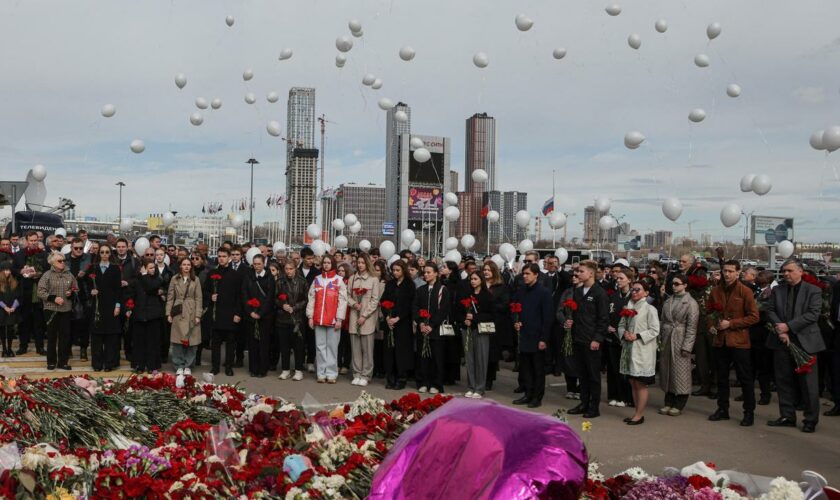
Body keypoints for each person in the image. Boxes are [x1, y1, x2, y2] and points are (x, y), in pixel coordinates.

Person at [766, 259, 826, 433]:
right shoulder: (778, 290)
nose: (785, 274)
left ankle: (810, 419)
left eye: (790, 271)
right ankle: (787, 416)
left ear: (801, 271)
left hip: (806, 343)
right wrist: (781, 330)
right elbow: (770, 310)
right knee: (783, 381)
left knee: (809, 385)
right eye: (784, 271)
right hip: (781, 341)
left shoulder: (813, 290)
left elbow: (813, 314)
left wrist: (789, 326)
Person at [707, 260, 760, 427]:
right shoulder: (715, 291)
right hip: (720, 341)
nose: (727, 274)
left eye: (730, 271)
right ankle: (723, 409)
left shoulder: (745, 291)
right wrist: (712, 325)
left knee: (745, 378)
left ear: (738, 273)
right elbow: (709, 312)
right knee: (721, 377)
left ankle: (749, 412)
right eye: (725, 271)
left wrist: (731, 324)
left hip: (739, 341)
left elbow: (754, 316)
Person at [566, 260, 609, 418]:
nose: (578, 274)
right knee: (582, 374)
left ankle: (594, 406)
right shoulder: (578, 292)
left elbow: (603, 319)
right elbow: (576, 313)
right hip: (579, 338)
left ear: (591, 273)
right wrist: (570, 321)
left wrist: (597, 339)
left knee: (593, 376)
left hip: (592, 340)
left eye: (581, 271)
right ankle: (584, 403)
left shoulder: (599, 293)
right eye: (577, 271)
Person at [617, 280, 660, 425]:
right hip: (629, 349)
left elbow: (655, 329)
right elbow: (621, 324)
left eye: (638, 289)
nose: (634, 292)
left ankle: (639, 414)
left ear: (646, 293)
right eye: (633, 289)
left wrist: (637, 336)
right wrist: (624, 334)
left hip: (642, 351)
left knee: (640, 383)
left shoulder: (649, 309)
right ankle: (636, 411)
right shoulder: (628, 307)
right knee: (632, 381)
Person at [511, 263, 553, 408]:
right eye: (523, 274)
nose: (525, 276)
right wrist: (516, 321)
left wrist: (543, 338)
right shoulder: (521, 290)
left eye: (528, 273)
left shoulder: (544, 292)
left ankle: (537, 397)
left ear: (536, 274)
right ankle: (528, 394)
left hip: (537, 336)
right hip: (524, 334)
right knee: (526, 368)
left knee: (538, 369)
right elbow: (515, 308)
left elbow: (548, 317)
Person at [658, 274, 699, 416]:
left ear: (685, 285)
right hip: (667, 337)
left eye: (677, 284)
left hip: (680, 338)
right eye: (673, 284)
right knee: (667, 369)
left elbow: (692, 327)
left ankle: (679, 402)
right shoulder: (668, 301)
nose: (674, 286)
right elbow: (662, 320)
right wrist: (660, 338)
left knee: (681, 371)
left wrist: (687, 346)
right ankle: (668, 401)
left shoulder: (691, 303)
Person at [306, 254, 347, 384]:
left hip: (333, 320)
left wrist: (339, 319)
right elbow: (311, 298)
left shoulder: (338, 280)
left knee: (332, 347)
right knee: (320, 347)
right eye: (324, 263)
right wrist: (310, 316)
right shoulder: (317, 279)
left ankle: (331, 373)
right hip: (319, 319)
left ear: (333, 264)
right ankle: (321, 373)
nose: (326, 265)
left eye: (329, 263)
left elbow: (343, 301)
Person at [37, 252, 78, 370]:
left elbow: (76, 288)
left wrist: (71, 293)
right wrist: (53, 298)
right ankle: (51, 361)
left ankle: (63, 362)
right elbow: (40, 292)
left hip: (66, 309)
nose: (62, 262)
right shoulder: (47, 275)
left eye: (63, 260)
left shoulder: (69, 274)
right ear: (52, 263)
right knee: (52, 336)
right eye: (59, 261)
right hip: (51, 309)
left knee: (65, 337)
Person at [413, 263, 451, 394]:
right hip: (423, 328)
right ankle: (423, 381)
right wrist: (421, 323)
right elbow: (416, 307)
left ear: (436, 273)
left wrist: (432, 325)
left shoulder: (442, 289)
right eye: (424, 272)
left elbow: (443, 310)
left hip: (436, 330)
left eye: (429, 272)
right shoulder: (420, 290)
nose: (426, 275)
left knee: (436, 357)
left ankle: (436, 383)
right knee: (422, 356)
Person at [206, 247, 242, 376]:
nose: (221, 258)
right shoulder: (212, 273)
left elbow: (240, 296)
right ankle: (215, 367)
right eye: (219, 256)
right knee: (215, 342)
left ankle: (228, 366)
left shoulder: (236, 275)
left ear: (229, 258)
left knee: (231, 342)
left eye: (224, 256)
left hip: (231, 313)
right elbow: (205, 291)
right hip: (217, 313)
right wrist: (211, 296)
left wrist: (238, 313)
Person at [380, 259, 416, 390]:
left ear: (403, 270)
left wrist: (398, 318)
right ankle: (390, 377)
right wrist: (388, 317)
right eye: (393, 270)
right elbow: (383, 301)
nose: (395, 273)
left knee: (401, 351)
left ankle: (401, 378)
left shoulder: (409, 285)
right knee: (389, 349)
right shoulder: (390, 284)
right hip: (390, 322)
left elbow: (410, 305)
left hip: (403, 323)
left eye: (398, 270)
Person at [87, 244, 123, 371]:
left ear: (110, 254)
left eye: (107, 252)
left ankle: (109, 364)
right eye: (102, 252)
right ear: (99, 254)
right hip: (97, 307)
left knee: (110, 337)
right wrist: (91, 292)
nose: (104, 254)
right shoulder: (92, 268)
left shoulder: (115, 269)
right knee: (96, 337)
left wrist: (117, 306)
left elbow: (118, 289)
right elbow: (86, 286)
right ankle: (97, 364)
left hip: (111, 306)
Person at [459, 271, 494, 399]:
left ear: (481, 280)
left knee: (481, 358)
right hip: (467, 329)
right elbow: (458, 310)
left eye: (475, 279)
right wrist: (464, 319)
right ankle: (471, 386)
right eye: (471, 279)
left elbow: (491, 314)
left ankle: (480, 388)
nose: (472, 281)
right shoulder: (466, 294)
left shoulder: (487, 295)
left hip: (481, 329)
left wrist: (474, 317)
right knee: (469, 359)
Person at [347, 253, 381, 386]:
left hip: (367, 318)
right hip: (354, 315)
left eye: (363, 262)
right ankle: (356, 373)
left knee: (367, 349)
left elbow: (375, 300)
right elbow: (347, 295)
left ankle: (366, 374)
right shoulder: (352, 278)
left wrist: (364, 315)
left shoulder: (374, 279)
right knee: (355, 347)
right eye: (358, 262)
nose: (360, 265)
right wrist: (354, 304)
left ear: (367, 263)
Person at [166, 257, 203, 375]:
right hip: (178, 311)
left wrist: (198, 315)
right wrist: (168, 313)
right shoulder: (174, 279)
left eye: (188, 264)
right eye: (184, 264)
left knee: (192, 340)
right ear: (180, 266)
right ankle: (178, 365)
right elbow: (170, 297)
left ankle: (188, 365)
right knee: (177, 341)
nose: (186, 266)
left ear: (191, 267)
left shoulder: (195, 279)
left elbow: (199, 298)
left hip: (191, 312)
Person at [241, 254, 275, 378]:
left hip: (264, 317)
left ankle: (263, 369)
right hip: (251, 314)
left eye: (259, 264)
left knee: (264, 343)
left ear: (263, 263)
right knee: (252, 343)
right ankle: (253, 368)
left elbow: (270, 298)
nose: (256, 266)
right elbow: (244, 294)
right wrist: (250, 311)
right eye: (254, 264)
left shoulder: (269, 277)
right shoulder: (248, 277)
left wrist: (260, 313)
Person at [13, 231, 47, 356]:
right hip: (24, 292)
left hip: (39, 292)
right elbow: (13, 270)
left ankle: (40, 347)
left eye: (35, 240)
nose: (33, 242)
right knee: (24, 322)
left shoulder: (43, 255)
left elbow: (47, 271)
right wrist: (21, 271)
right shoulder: (19, 255)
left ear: (38, 240)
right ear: (27, 241)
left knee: (39, 322)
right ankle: (23, 346)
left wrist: (39, 274)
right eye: (31, 240)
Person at [130, 259, 165, 373]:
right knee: (139, 342)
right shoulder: (136, 280)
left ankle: (152, 365)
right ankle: (139, 365)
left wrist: (144, 275)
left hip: (153, 315)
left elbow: (150, 286)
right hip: (139, 314)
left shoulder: (157, 280)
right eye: (149, 268)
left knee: (152, 342)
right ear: (143, 268)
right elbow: (131, 295)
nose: (152, 270)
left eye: (153, 268)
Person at [606, 267, 634, 408]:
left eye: (621, 278)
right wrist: (608, 326)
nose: (618, 280)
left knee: (625, 369)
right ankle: (614, 395)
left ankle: (626, 397)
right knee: (613, 368)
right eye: (617, 278)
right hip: (612, 337)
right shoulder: (613, 296)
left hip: (626, 338)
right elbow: (607, 314)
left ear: (629, 279)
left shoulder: (633, 297)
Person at [276, 261, 308, 381]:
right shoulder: (280, 282)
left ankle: (298, 370)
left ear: (295, 269)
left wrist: (295, 307)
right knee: (284, 346)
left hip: (298, 318)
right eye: (286, 268)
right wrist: (282, 305)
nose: (288, 271)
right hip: (283, 318)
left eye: (291, 268)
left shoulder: (302, 282)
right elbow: (275, 297)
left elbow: (306, 299)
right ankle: (285, 369)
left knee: (298, 346)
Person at [482, 261, 510, 391]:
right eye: (484, 269)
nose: (486, 272)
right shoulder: (479, 285)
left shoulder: (501, 287)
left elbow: (504, 305)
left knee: (491, 354)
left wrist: (489, 305)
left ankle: (489, 379)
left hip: (495, 324)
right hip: (480, 323)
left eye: (489, 270)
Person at [65, 239, 91, 360]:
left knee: (84, 324)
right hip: (68, 295)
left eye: (81, 248)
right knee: (68, 324)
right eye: (76, 248)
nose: (79, 250)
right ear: (71, 247)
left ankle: (83, 349)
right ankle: (68, 348)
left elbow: (92, 275)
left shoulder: (88, 258)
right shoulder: (64, 258)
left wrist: (85, 273)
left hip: (84, 295)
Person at [0, 262, 22, 357]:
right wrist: (5, 307)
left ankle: (9, 349)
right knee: (2, 330)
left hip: (12, 310)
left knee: (10, 330)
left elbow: (19, 296)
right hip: (1, 310)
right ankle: (4, 349)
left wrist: (13, 307)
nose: (7, 272)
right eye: (5, 270)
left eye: (9, 270)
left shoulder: (14, 282)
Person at [336, 262, 354, 375]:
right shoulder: (336, 282)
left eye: (343, 271)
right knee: (338, 342)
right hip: (338, 314)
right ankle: (337, 363)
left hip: (349, 314)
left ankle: (346, 364)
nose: (341, 273)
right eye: (339, 271)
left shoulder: (350, 282)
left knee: (347, 343)